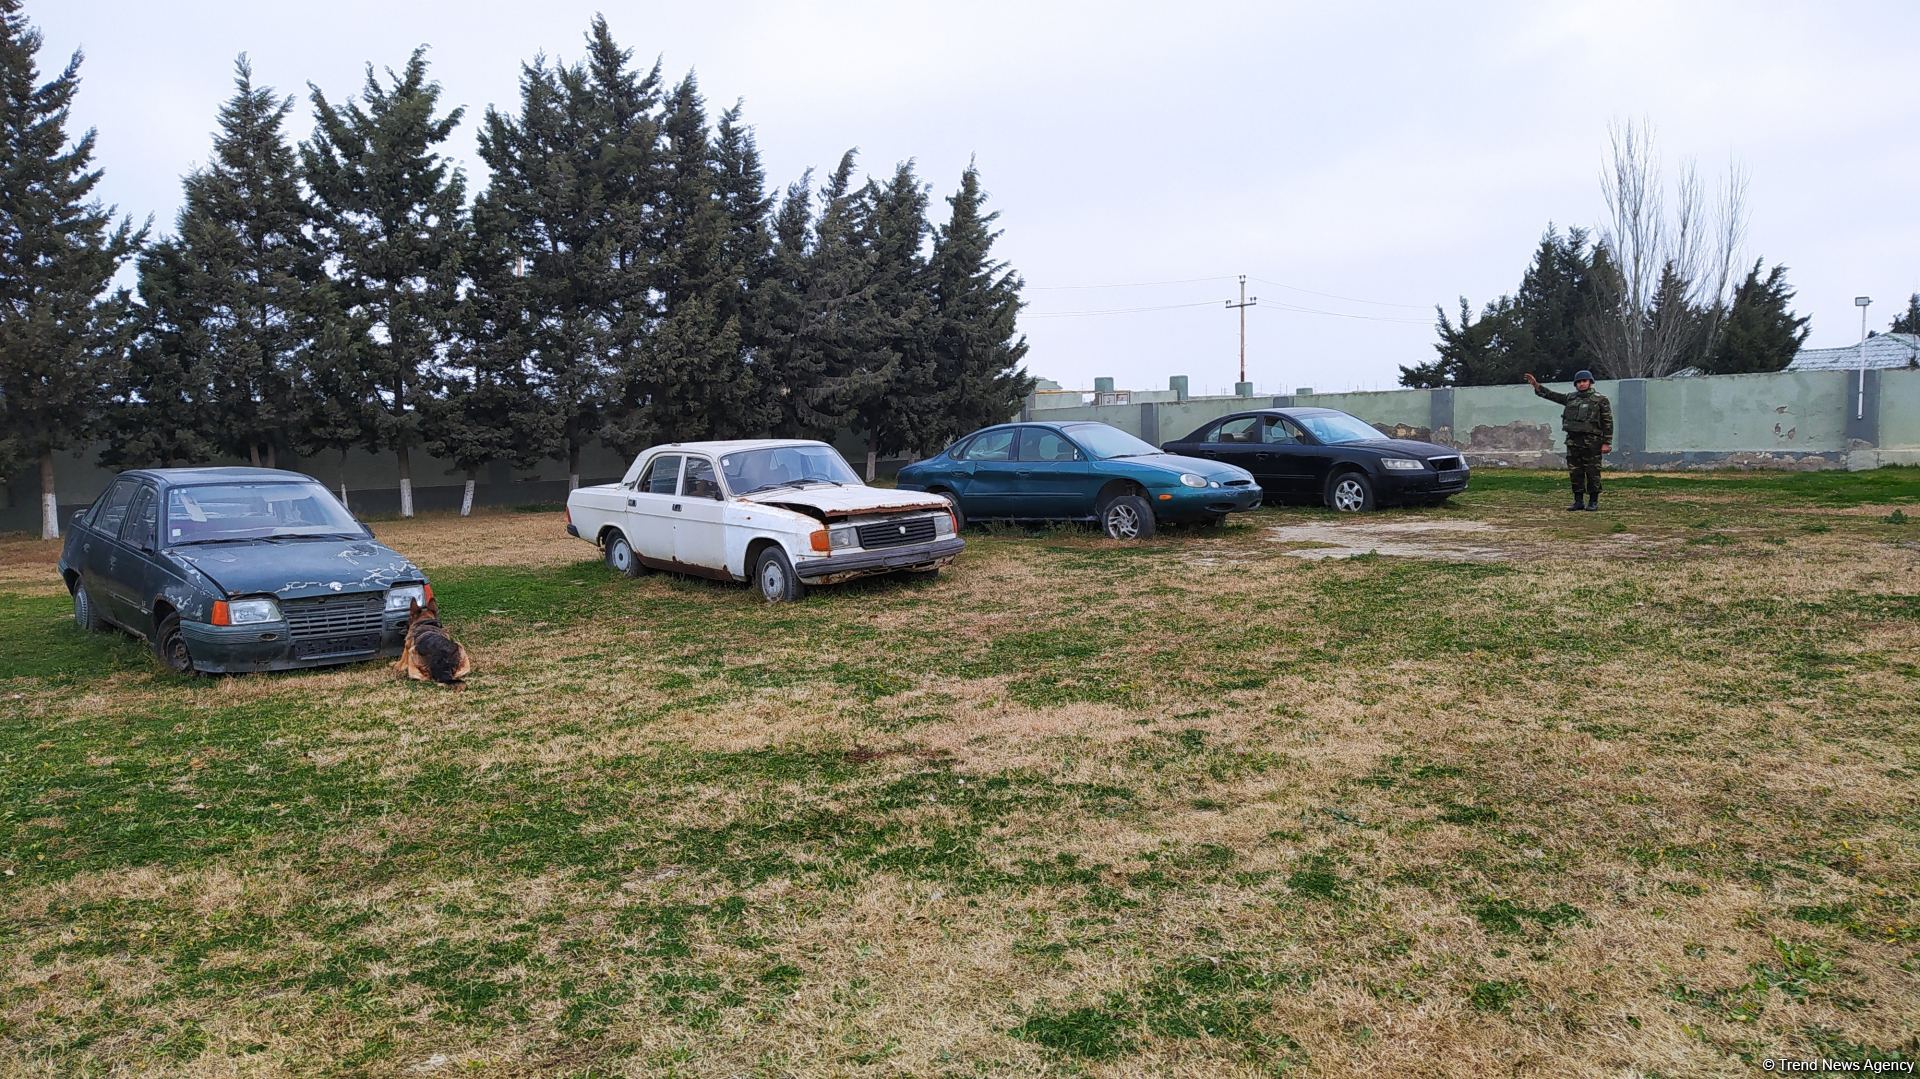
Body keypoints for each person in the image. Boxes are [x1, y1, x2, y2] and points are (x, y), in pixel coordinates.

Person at [1524, 370, 1612, 511]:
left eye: (1584, 381)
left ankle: (1593, 501)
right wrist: (1536, 385)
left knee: (1592, 472)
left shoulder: (1600, 400)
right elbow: (1552, 395)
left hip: (1592, 442)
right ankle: (1578, 501)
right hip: (1573, 442)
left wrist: (1607, 442)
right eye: (1579, 382)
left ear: (1590, 382)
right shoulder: (1570, 398)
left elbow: (1607, 422)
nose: (1582, 384)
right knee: (1575, 472)